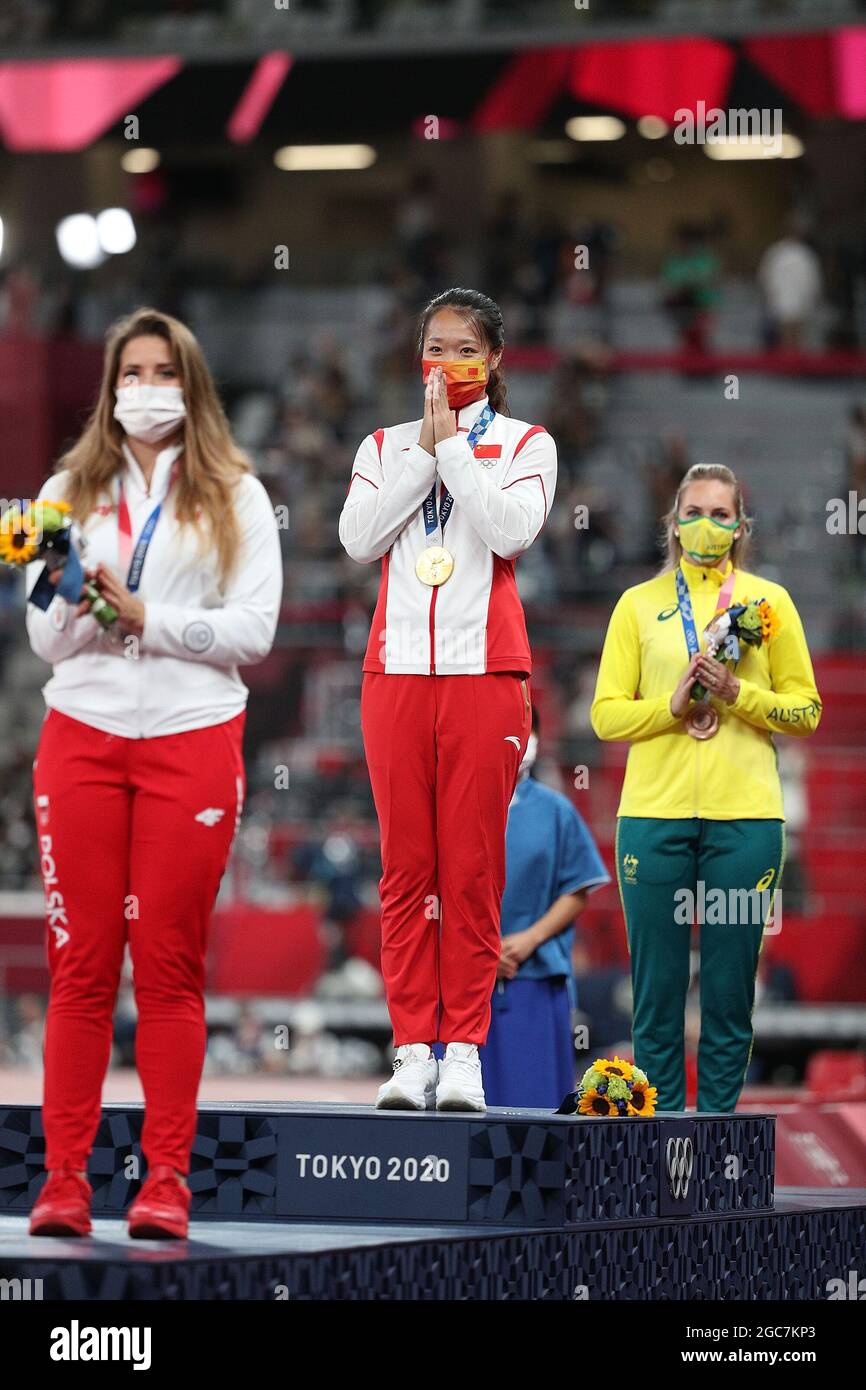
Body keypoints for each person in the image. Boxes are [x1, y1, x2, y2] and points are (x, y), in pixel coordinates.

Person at [26, 307, 283, 1239]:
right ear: (109, 386)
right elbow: (43, 636)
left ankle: (166, 1181)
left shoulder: (237, 495)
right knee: (81, 966)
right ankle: (63, 1183)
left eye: (162, 371)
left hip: (191, 736)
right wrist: (83, 603)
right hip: (83, 732)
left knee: (168, 968)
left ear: (192, 383)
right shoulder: (67, 488)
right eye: (130, 372)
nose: (146, 388)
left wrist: (150, 617)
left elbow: (255, 630)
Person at [339, 286, 557, 1112]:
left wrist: (457, 451)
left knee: (470, 872)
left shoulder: (528, 444)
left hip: (485, 676)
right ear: (417, 356)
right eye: (435, 347)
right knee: (405, 871)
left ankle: (462, 1050)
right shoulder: (382, 444)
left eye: (466, 349)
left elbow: (509, 532)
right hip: (394, 674)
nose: (448, 363)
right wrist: (425, 452)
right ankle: (410, 1050)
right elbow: (359, 541)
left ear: (495, 360)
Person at [590, 463, 821, 1113]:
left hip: (745, 824)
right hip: (654, 818)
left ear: (741, 527)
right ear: (672, 524)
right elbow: (606, 716)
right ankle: (661, 1135)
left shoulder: (769, 605)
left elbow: (807, 710)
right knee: (656, 991)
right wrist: (670, 706)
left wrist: (737, 694)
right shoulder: (637, 605)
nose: (706, 525)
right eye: (694, 512)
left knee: (727, 991)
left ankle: (716, 1127)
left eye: (721, 515)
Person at [480, 706, 610, 1108]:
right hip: (466, 981)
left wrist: (528, 939)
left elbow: (577, 889)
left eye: (527, 730)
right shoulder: (459, 803)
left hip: (535, 974)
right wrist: (480, 951)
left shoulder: (556, 811)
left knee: (537, 1104)